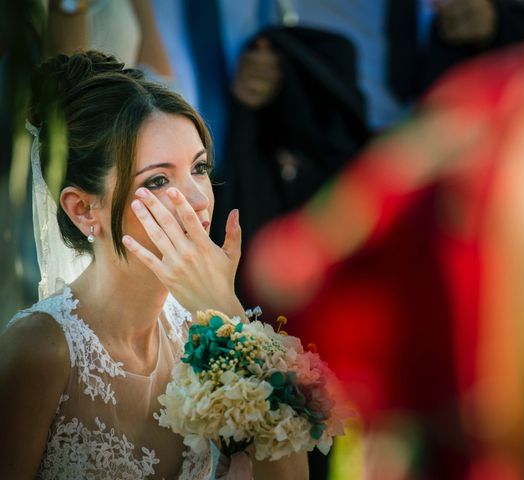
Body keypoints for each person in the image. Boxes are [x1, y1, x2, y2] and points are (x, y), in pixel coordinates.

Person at [0, 51, 308, 479]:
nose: (199, 201)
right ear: (83, 209)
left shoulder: (202, 337)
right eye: (158, 180)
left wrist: (228, 315)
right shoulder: (40, 350)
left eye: (199, 168)